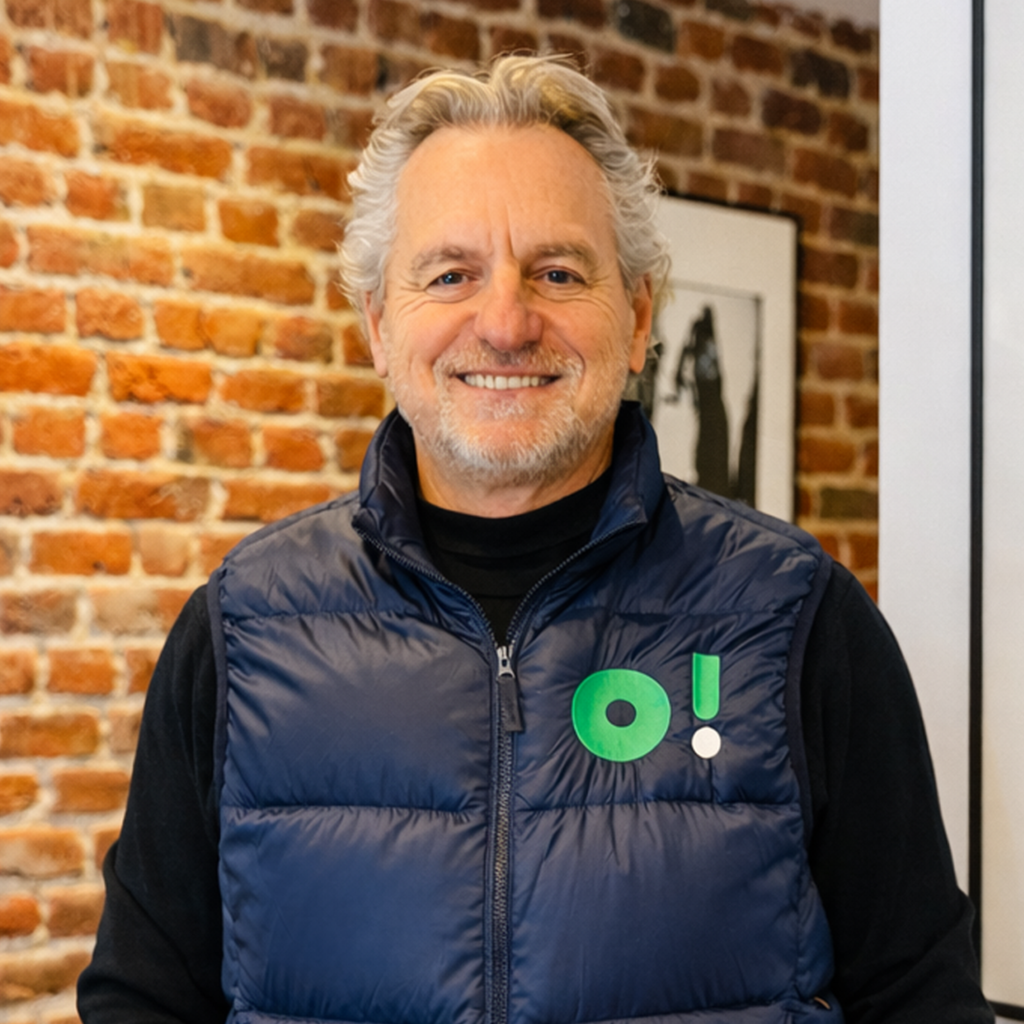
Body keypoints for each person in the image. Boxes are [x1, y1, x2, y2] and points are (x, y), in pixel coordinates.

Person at [78, 56, 993, 1024]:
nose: (507, 323)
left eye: (557, 273)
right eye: (451, 275)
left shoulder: (796, 616)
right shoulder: (242, 628)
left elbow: (919, 999)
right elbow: (143, 1001)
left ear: (637, 319)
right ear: (380, 325)